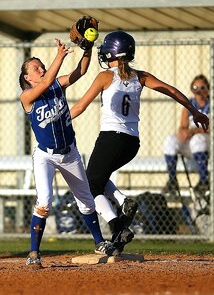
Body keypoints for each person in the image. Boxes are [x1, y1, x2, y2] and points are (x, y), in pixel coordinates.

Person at [70, 31, 209, 252]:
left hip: (110, 139)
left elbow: (80, 106)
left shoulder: (105, 76)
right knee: (97, 176)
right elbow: (171, 91)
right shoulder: (140, 76)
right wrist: (195, 111)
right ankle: (122, 204)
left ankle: (117, 224)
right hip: (132, 143)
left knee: (89, 186)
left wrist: (58, 120)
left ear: (113, 52)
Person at [19, 38, 117, 268]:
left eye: (42, 65)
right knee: (44, 202)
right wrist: (59, 56)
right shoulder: (27, 97)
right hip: (45, 156)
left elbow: (81, 71)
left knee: (86, 200)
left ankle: (99, 242)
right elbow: (45, 83)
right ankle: (34, 253)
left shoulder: (56, 85)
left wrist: (88, 48)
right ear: (27, 78)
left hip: (70, 153)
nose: (41, 69)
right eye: (36, 68)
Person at [162, 74, 210, 196]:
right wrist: (183, 132)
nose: (199, 92)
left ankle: (204, 181)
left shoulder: (211, 104)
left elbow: (210, 129)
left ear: (208, 89)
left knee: (198, 139)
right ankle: (172, 181)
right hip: (192, 144)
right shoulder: (190, 105)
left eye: (202, 88)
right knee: (170, 141)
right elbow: (183, 127)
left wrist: (194, 131)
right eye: (195, 88)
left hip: (207, 144)